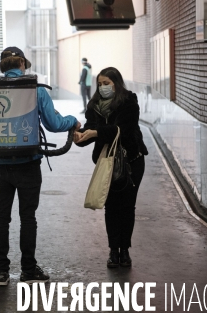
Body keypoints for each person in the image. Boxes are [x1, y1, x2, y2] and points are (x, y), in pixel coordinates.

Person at [0, 47, 78, 287]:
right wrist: (73, 121)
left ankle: (1, 272)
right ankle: (28, 269)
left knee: (1, 216)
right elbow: (54, 123)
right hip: (28, 163)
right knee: (27, 217)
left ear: (3, 66)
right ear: (21, 63)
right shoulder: (36, 90)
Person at [74, 67, 148, 269]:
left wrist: (94, 133)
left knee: (127, 206)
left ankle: (125, 250)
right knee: (111, 207)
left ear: (116, 82)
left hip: (131, 161)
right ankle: (113, 250)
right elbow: (90, 129)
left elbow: (121, 131)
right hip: (107, 163)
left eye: (106, 83)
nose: (102, 87)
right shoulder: (94, 105)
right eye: (99, 84)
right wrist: (79, 137)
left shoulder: (129, 102)